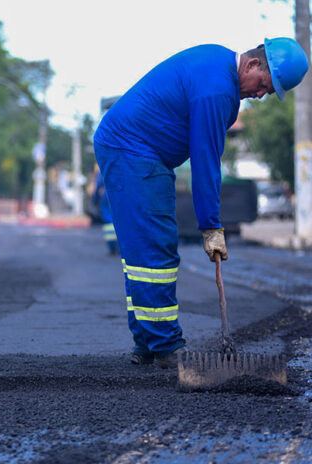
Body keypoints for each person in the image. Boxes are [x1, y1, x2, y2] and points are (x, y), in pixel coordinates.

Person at [93, 38, 308, 369]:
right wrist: (211, 226)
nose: (261, 94)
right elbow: (206, 161)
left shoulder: (219, 69)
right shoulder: (217, 90)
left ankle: (147, 342)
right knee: (155, 247)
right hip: (131, 150)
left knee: (142, 250)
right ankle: (166, 345)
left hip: (140, 152)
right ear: (252, 65)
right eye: (264, 85)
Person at [92, 171, 118, 255]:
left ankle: (112, 247)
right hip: (117, 194)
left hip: (106, 196)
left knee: (108, 222)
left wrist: (95, 199)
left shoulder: (102, 170)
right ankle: (119, 246)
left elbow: (98, 185)